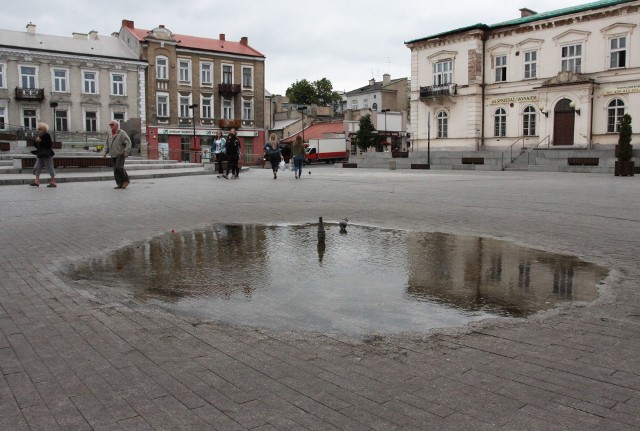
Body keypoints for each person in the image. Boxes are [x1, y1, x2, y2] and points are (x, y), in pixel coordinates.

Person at [103, 120, 132, 189]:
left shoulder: (122, 133)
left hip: (120, 153)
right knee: (115, 170)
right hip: (113, 154)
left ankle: (126, 180)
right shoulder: (110, 134)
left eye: (112, 124)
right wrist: (104, 152)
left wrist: (126, 151)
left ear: (116, 125)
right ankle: (119, 183)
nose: (111, 126)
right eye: (110, 125)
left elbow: (128, 142)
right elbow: (106, 144)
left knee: (119, 168)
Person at [30, 122, 57, 187]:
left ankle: (53, 182)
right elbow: (37, 146)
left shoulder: (46, 135)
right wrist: (36, 142)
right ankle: (37, 181)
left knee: (49, 167)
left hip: (47, 154)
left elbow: (49, 145)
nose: (38, 130)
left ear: (44, 129)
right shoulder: (39, 135)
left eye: (39, 129)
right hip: (40, 154)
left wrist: (40, 141)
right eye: (38, 129)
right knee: (37, 167)